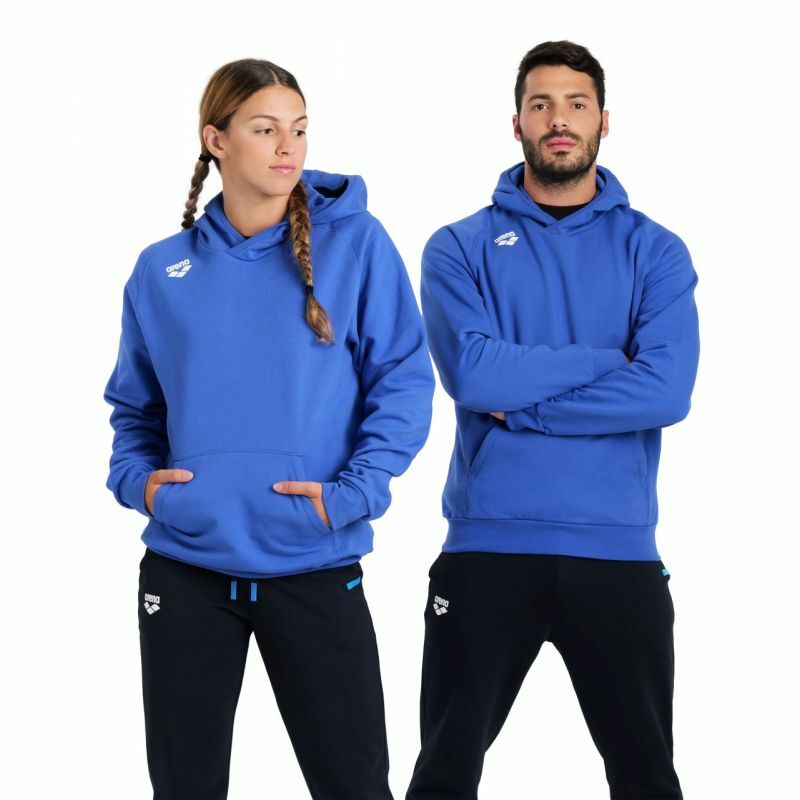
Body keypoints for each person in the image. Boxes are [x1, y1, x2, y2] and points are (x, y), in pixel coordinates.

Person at [103, 57, 434, 800]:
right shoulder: (161, 270)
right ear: (216, 140)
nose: (289, 146)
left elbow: (404, 382)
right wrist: (141, 485)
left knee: (354, 785)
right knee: (185, 787)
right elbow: (135, 408)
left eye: (300, 129)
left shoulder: (356, 245)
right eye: (264, 129)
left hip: (313, 560)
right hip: (186, 565)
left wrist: (351, 495)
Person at [406, 40, 699, 800]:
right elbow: (473, 374)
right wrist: (606, 359)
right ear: (517, 124)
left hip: (618, 548)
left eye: (576, 104)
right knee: (443, 776)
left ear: (603, 120)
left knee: (646, 778)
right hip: (488, 547)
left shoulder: (655, 251)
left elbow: (666, 390)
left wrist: (526, 410)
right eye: (541, 105)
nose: (558, 120)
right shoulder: (459, 246)